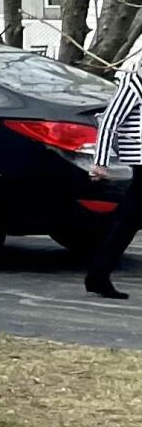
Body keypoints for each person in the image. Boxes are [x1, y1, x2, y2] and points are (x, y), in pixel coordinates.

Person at [84, 42, 142, 297]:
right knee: (127, 220)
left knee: (128, 220)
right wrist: (100, 162)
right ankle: (97, 274)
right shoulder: (134, 84)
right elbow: (109, 120)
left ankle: (98, 274)